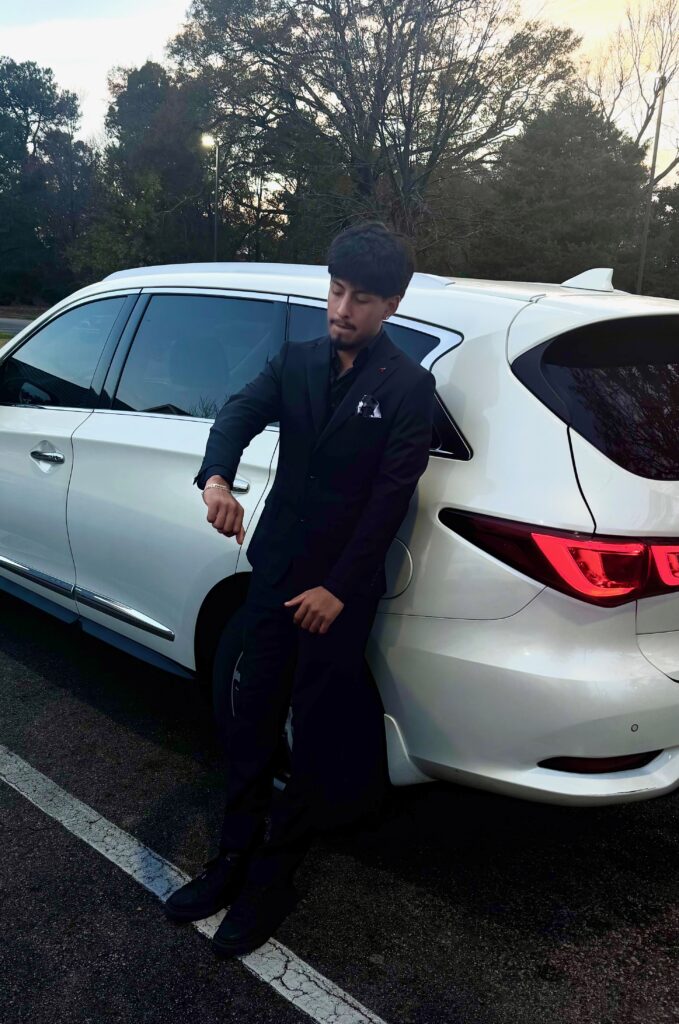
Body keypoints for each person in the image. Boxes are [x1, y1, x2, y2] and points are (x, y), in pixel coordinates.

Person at [164, 222, 436, 958]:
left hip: (335, 599)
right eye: (336, 290)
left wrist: (339, 590)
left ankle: (271, 881)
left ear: (392, 305)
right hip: (274, 576)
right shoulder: (296, 361)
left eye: (363, 298)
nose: (342, 309)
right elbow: (237, 415)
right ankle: (230, 860)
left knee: (310, 742)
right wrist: (216, 478)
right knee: (249, 723)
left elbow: (391, 499)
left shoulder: (410, 387)